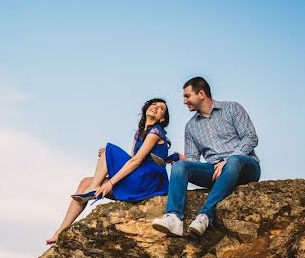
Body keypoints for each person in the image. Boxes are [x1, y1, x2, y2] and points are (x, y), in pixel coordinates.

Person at [46, 98, 173, 245]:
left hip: (147, 182)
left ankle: (94, 188)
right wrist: (108, 161)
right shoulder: (140, 133)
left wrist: (111, 181)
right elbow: (130, 159)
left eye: (161, 108)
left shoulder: (155, 132)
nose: (156, 108)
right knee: (84, 182)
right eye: (154, 105)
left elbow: (136, 161)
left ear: (162, 119)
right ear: (146, 109)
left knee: (109, 149)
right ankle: (60, 231)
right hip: (137, 177)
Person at [151, 77, 260, 237]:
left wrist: (228, 161)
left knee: (234, 161)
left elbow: (250, 137)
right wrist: (181, 160)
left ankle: (205, 215)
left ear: (201, 94)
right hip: (216, 171)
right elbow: (194, 161)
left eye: (187, 96)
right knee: (180, 167)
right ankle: (174, 218)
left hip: (244, 166)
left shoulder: (232, 108)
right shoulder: (191, 127)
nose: (184, 101)